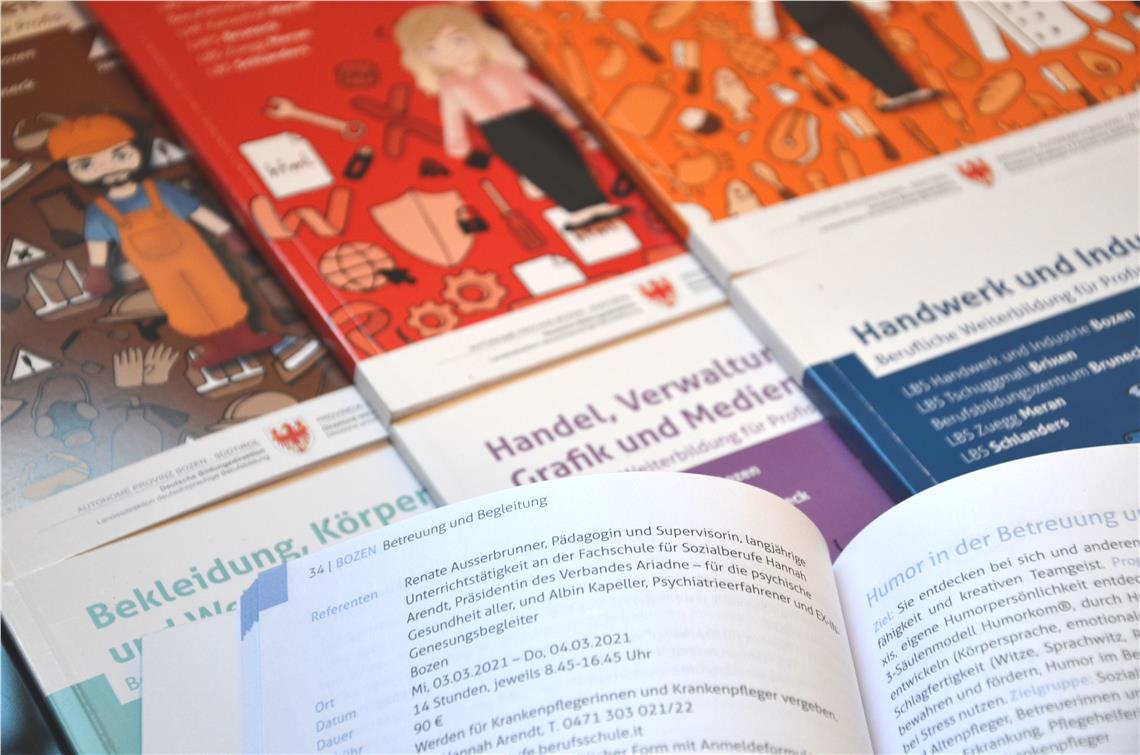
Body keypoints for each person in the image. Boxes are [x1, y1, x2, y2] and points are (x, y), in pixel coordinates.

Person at [47, 114, 280, 368]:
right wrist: (98, 271)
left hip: (198, 259)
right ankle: (215, 348)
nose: (109, 167)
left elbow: (197, 212)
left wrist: (228, 234)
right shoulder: (99, 212)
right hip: (160, 274)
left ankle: (246, 338)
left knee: (219, 290)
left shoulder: (159, 190)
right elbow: (97, 243)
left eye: (119, 155)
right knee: (181, 306)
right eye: (87, 164)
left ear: (136, 151)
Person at [394, 4, 627, 231]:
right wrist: (457, 142)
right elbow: (451, 113)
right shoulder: (450, 85)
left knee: (563, 156)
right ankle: (576, 208)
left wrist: (563, 112)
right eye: (432, 49)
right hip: (499, 131)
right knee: (535, 168)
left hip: (531, 119)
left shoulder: (501, 67)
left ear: (478, 36)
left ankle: (596, 200)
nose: (450, 53)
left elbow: (539, 90)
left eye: (458, 40)